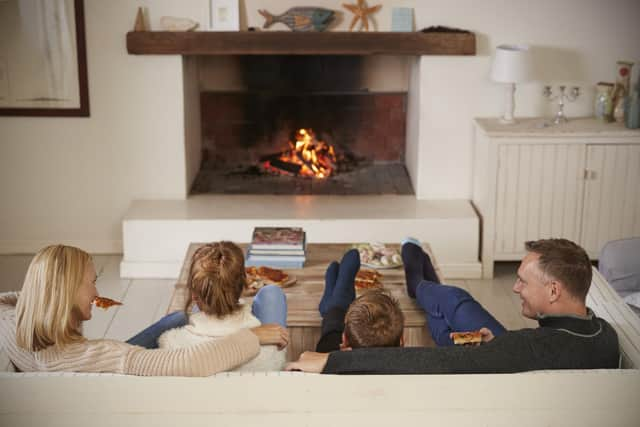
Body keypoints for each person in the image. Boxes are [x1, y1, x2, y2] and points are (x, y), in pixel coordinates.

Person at [286, 238, 620, 374]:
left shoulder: (528, 349)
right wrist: (498, 345)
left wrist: (334, 362)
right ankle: (420, 282)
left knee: (452, 301)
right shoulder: (603, 336)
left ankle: (418, 283)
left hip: (501, 371)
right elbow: (546, 348)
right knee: (450, 306)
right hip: (507, 354)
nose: (514, 287)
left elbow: (433, 360)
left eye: (522, 281)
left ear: (553, 290)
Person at [0, 244, 289, 376]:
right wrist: (254, 335)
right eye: (92, 283)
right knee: (272, 296)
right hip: (104, 372)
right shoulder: (95, 356)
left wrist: (25, 297)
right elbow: (187, 363)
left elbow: (12, 301)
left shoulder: (15, 324)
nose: (98, 293)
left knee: (177, 317)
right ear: (63, 293)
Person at [158, 242, 288, 371]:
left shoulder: (170, 344)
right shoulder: (270, 347)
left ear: (193, 295)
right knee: (272, 292)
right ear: (244, 285)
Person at [315, 249, 404, 353]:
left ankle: (336, 301)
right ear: (402, 341)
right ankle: (337, 299)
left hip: (334, 354)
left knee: (330, 337)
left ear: (344, 341)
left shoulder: (324, 358)